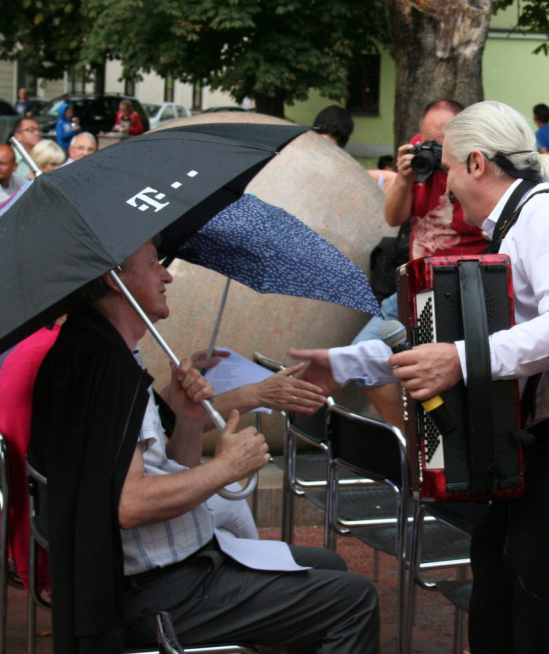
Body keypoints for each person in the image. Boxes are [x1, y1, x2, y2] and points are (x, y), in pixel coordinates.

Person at [291, 101, 549, 654]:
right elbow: (451, 344)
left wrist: (461, 359)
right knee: (501, 607)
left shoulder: (545, 212)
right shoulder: (529, 213)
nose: (446, 185)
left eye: (449, 168)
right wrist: (345, 364)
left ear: (478, 163)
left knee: (545, 630)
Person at [30, 239, 379, 653]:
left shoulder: (104, 349)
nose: (167, 275)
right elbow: (132, 505)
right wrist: (225, 468)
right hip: (162, 591)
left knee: (329, 565)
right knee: (353, 600)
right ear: (113, 278)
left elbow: (172, 467)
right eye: (153, 264)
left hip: (178, 566)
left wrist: (190, 419)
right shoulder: (106, 368)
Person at [348, 99, 487, 428]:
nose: (434, 153)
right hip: (413, 285)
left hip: (461, 287)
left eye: (442, 145)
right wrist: (404, 178)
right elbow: (393, 217)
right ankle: (409, 443)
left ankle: (438, 443)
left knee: (444, 376)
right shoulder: (418, 156)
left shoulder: (477, 164)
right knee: (361, 358)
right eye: (428, 142)